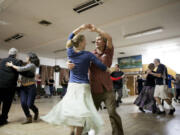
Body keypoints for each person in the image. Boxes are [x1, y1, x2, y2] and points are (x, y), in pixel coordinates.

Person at [41, 24, 111, 135]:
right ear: (82, 42)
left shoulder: (70, 52)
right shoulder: (88, 55)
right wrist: (109, 69)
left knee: (73, 110)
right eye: (85, 41)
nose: (87, 42)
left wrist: (81, 28)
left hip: (72, 85)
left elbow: (70, 37)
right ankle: (77, 132)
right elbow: (100, 65)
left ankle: (71, 130)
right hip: (83, 86)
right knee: (81, 113)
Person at [68, 24, 124, 135]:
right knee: (89, 114)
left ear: (104, 42)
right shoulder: (89, 54)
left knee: (112, 112)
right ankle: (85, 132)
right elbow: (78, 62)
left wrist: (96, 30)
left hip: (108, 89)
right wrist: (69, 64)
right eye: (96, 40)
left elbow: (109, 38)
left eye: (99, 40)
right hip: (94, 90)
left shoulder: (108, 51)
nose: (97, 41)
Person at [6, 52, 40, 124]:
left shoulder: (32, 65)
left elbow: (21, 69)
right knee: (23, 103)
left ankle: (36, 111)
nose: (26, 58)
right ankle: (28, 117)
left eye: (27, 57)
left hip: (31, 87)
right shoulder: (27, 65)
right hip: (23, 87)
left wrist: (12, 65)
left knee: (29, 104)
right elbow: (22, 73)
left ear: (30, 58)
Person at [0, 48, 21, 126]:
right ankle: (3, 120)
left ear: (8, 53)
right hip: (10, 85)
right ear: (16, 55)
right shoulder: (17, 61)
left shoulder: (2, 61)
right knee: (7, 103)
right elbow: (19, 71)